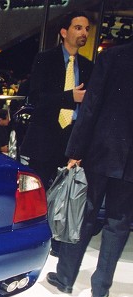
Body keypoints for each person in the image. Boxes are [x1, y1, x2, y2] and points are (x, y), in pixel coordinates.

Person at [46, 41, 133, 297]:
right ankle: (101, 289)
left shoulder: (114, 56)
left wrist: (76, 149)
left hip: (101, 149)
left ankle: (65, 278)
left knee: (84, 212)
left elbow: (91, 105)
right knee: (119, 222)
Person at [19, 10, 93, 257]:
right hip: (44, 138)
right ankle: (35, 240)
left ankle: (59, 242)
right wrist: (69, 97)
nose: (83, 33)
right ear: (64, 32)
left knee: (66, 194)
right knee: (39, 193)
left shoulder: (88, 67)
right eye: (78, 27)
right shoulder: (45, 60)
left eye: (86, 29)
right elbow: (36, 98)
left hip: (70, 139)